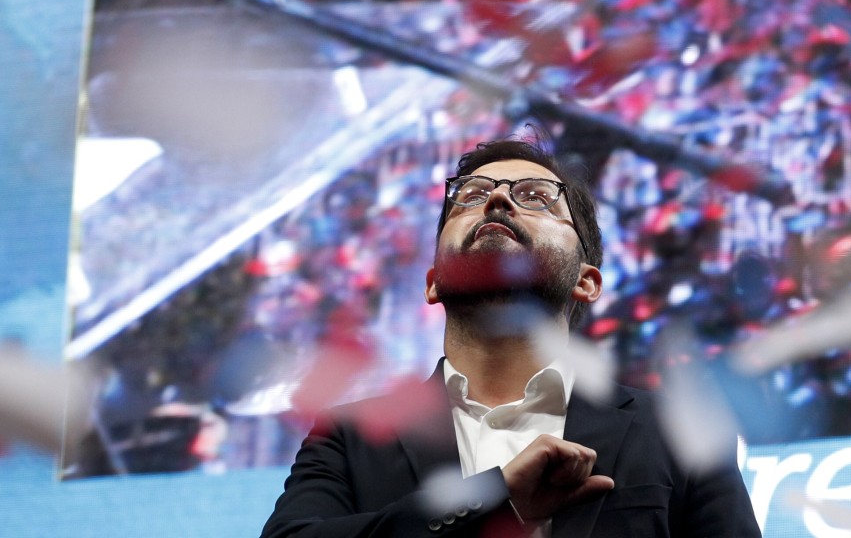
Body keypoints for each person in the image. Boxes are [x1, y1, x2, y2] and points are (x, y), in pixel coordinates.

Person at [261, 137, 761, 537]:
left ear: (586, 281)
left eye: (537, 198)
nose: (498, 198)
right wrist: (494, 498)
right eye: (472, 196)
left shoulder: (681, 429)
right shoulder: (350, 436)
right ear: (433, 281)